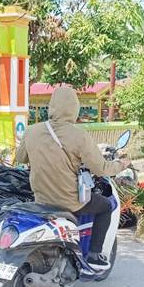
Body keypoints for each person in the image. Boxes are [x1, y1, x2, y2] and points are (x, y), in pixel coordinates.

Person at [16, 86, 130, 273]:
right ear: (74, 108)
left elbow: (21, 159)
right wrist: (122, 164)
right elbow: (102, 169)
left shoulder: (32, 131)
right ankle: (94, 255)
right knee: (105, 206)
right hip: (69, 202)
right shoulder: (78, 135)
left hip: (41, 201)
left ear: (51, 106)